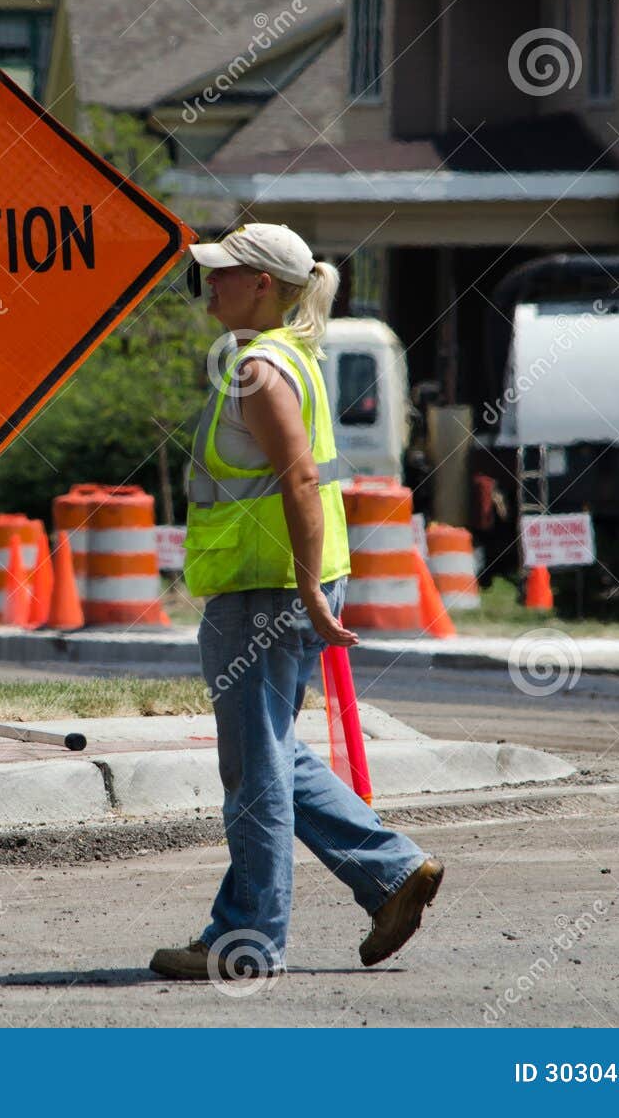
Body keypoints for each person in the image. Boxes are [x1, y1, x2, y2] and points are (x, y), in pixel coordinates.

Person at [149, 224, 444, 983]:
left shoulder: (260, 369)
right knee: (270, 750)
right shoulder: (290, 357)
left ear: (265, 287)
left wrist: (309, 587)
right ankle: (391, 872)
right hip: (272, 585)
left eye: (225, 273)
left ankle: (245, 938)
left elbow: (300, 482)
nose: (209, 284)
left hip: (267, 590)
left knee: (253, 766)